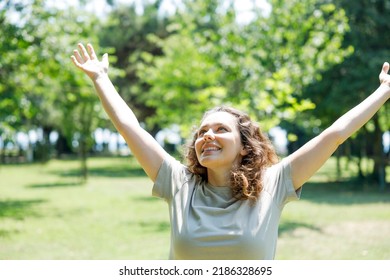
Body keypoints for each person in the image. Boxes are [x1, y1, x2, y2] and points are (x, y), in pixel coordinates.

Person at [71, 43, 390, 259]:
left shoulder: (275, 183)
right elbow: (131, 129)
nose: (207, 136)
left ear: (244, 145)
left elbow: (334, 135)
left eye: (221, 129)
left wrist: (383, 91)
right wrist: (100, 78)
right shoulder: (179, 183)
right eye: (201, 132)